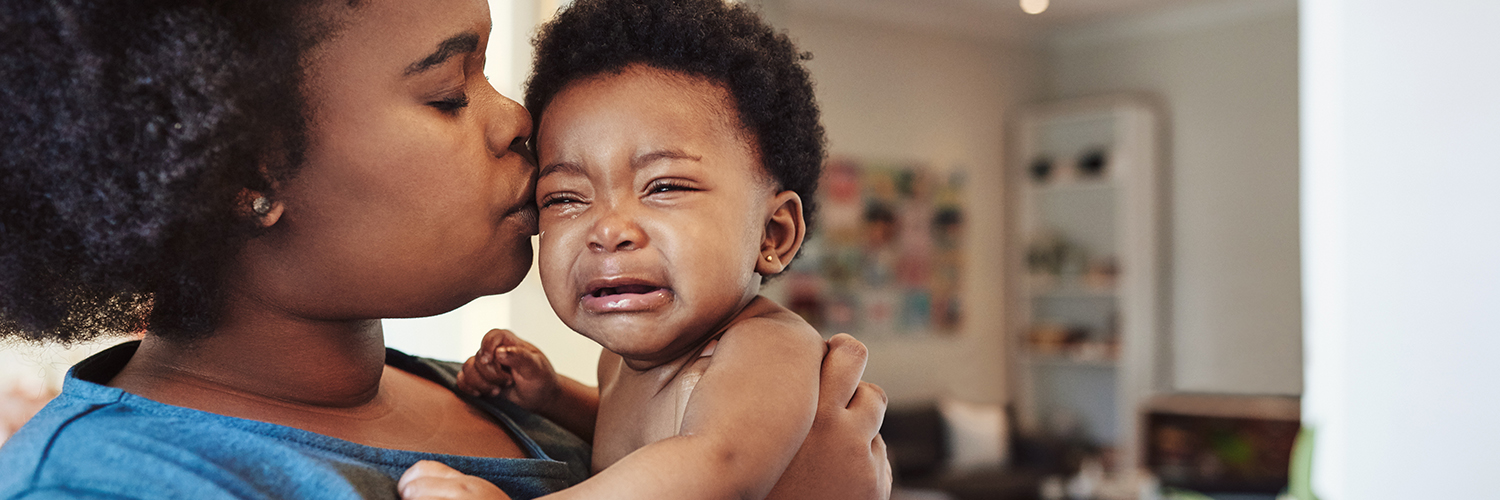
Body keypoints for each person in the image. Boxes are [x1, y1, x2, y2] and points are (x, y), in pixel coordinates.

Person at [0, 0, 891, 498]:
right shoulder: (111, 483)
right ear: (245, 170)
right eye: (448, 92)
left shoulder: (482, 392)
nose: (520, 123)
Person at [397, 1, 851, 499]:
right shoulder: (621, 362)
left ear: (773, 234)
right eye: (565, 197)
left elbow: (716, 464)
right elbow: (637, 446)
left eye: (664, 187)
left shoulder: (766, 347)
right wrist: (553, 398)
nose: (608, 230)